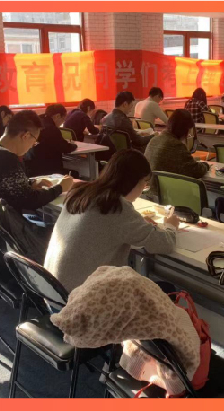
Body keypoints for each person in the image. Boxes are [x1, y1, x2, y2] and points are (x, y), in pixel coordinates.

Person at [44, 149, 179, 291]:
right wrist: (170, 225)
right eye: (145, 183)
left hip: (52, 289)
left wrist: (137, 222)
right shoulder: (116, 207)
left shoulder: (81, 192)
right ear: (133, 181)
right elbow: (164, 244)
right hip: (79, 298)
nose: (143, 189)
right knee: (160, 291)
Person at [0, 110, 73, 217]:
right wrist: (60, 188)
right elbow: (30, 201)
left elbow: (4, 185)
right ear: (26, 136)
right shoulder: (5, 157)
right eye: (34, 142)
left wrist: (30, 184)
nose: (32, 146)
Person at [144, 109, 210, 194]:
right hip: (167, 195)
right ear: (185, 129)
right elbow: (196, 171)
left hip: (149, 192)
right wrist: (206, 165)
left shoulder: (154, 140)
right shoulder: (176, 145)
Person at [25, 104, 77, 177]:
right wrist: (74, 145)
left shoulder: (38, 122)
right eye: (63, 120)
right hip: (48, 170)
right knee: (75, 173)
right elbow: (65, 148)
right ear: (57, 116)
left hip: (31, 166)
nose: (62, 123)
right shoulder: (51, 129)